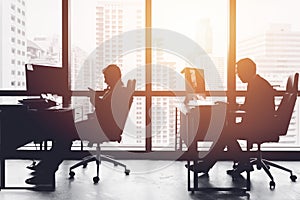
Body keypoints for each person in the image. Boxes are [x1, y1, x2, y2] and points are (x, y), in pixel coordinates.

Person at [25, 64, 127, 186]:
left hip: (102, 129)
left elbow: (105, 110)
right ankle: (45, 167)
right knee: (65, 130)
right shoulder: (117, 90)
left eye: (106, 77)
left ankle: (46, 173)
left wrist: (94, 98)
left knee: (64, 134)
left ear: (112, 76)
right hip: (101, 126)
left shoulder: (118, 92)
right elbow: (106, 111)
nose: (104, 79)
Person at [188, 58, 276, 174]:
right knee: (226, 133)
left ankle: (212, 165)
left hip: (259, 126)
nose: (238, 75)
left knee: (225, 133)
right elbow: (251, 107)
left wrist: (232, 108)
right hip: (258, 123)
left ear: (247, 71)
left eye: (239, 71)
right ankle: (242, 162)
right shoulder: (256, 83)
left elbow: (252, 109)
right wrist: (233, 106)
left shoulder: (258, 85)